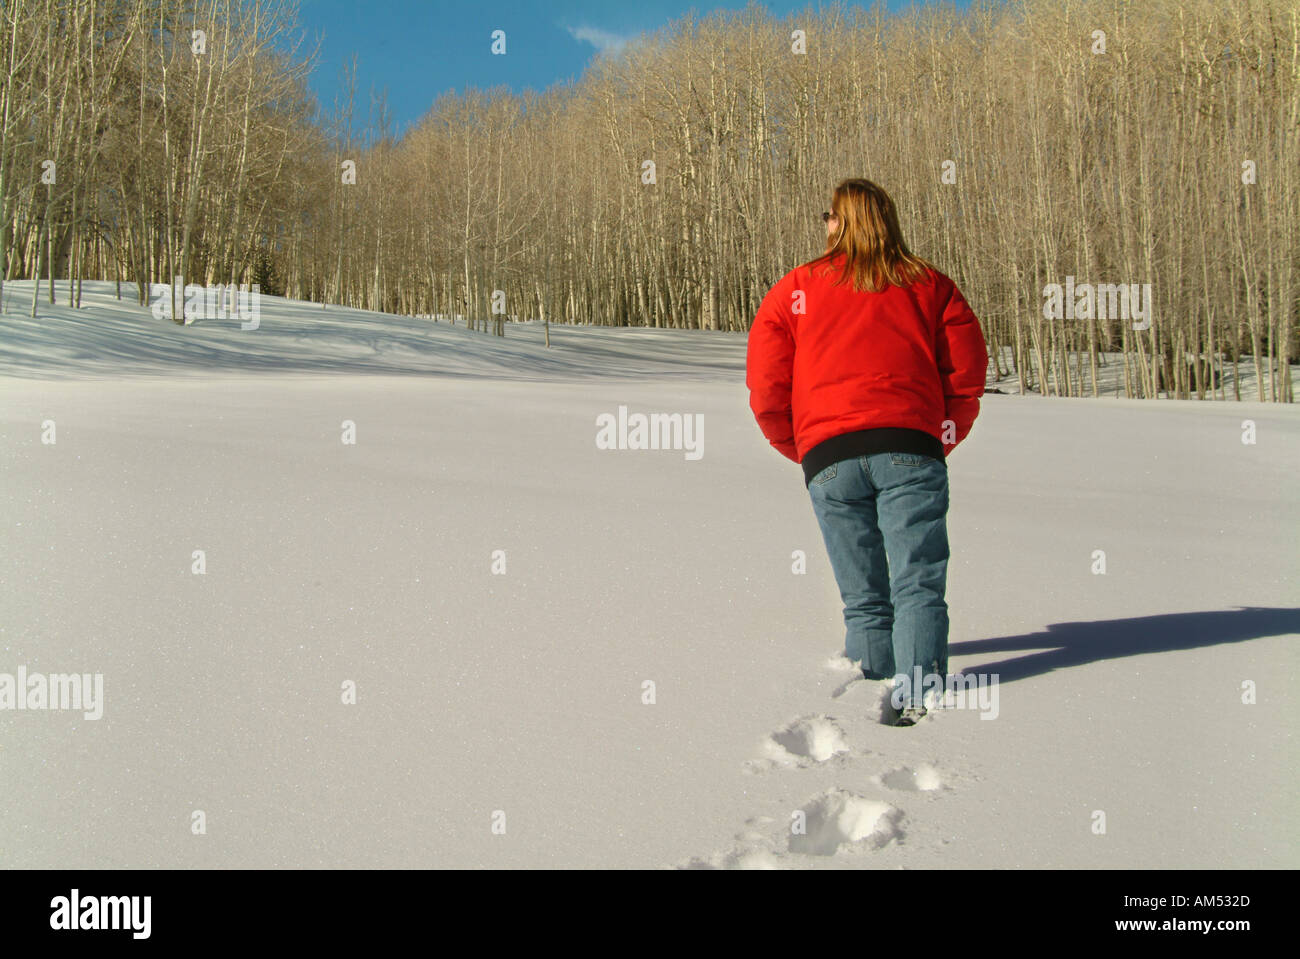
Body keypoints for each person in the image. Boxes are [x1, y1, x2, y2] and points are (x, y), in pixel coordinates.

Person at [745, 178, 989, 726]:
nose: (825, 225)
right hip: (910, 447)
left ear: (842, 221)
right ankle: (921, 696)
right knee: (917, 581)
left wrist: (802, 446)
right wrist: (938, 437)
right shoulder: (929, 285)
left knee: (864, 595)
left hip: (829, 458)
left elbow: (766, 385)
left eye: (827, 215)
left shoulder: (795, 291)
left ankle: (868, 685)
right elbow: (965, 375)